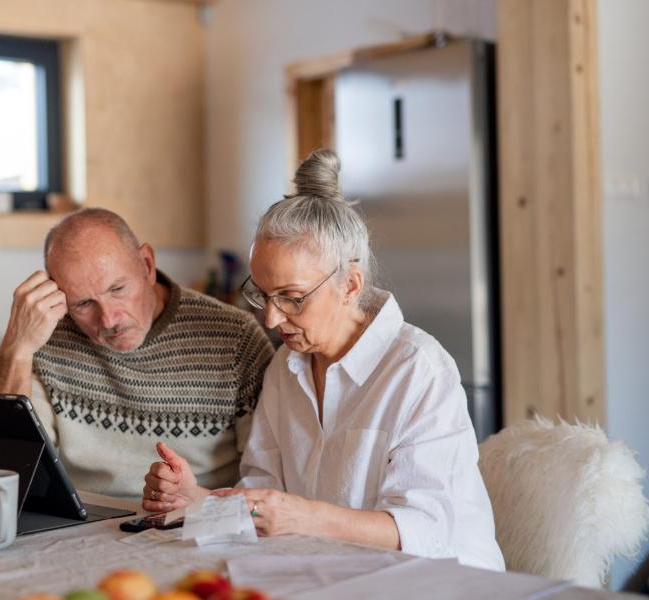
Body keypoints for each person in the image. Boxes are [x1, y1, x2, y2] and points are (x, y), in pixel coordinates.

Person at [141, 150, 505, 571]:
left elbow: (425, 531)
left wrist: (303, 517)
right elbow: (264, 499)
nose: (273, 319)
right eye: (261, 294)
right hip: (336, 573)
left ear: (350, 285)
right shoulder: (286, 368)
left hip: (444, 583)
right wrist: (196, 500)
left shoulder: (418, 370)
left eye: (293, 298)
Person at [0, 208, 274, 498]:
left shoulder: (236, 337)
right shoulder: (47, 336)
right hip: (81, 528)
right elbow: (5, 470)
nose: (109, 320)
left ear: (147, 265)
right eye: (84, 304)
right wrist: (16, 350)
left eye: (117, 289)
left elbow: (268, 485)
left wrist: (198, 500)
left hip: (198, 524)